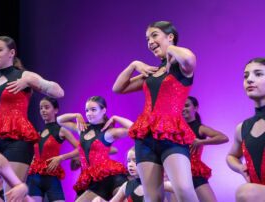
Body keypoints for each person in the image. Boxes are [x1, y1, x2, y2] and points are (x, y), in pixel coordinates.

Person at [113, 21, 198, 201]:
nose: (150, 41)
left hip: (172, 135)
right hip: (145, 137)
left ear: (170, 37)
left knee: (184, 190)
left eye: (154, 35)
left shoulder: (182, 67)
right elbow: (118, 88)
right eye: (147, 38)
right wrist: (134, 65)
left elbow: (189, 57)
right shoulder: (152, 72)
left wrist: (170, 50)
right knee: (152, 198)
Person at [0, 36, 64, 200]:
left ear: (11, 53)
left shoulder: (23, 75)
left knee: (12, 194)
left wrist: (30, 80)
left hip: (18, 141)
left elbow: (58, 92)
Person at [57, 96, 133, 201]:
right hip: (90, 180)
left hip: (109, 178)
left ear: (103, 110)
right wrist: (76, 115)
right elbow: (59, 120)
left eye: (93, 110)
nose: (89, 113)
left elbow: (132, 127)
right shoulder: (82, 128)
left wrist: (115, 118)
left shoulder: (108, 133)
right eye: (87, 110)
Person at [227, 57, 265, 201]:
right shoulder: (242, 128)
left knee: (246, 192)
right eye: (246, 76)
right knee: (247, 192)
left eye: (258, 74)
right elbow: (231, 156)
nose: (249, 79)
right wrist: (241, 169)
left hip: (252, 193)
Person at [27, 97, 78, 201]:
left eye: (46, 107)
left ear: (55, 110)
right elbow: (38, 153)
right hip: (34, 179)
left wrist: (61, 158)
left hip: (51, 177)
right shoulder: (39, 133)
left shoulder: (61, 130)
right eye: (41, 108)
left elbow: (80, 148)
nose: (43, 110)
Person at [182, 96, 228, 202]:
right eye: (181, 106)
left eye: (187, 105)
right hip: (179, 171)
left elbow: (223, 138)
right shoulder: (176, 128)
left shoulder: (200, 128)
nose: (183, 109)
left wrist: (202, 142)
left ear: (196, 108)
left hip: (193, 172)